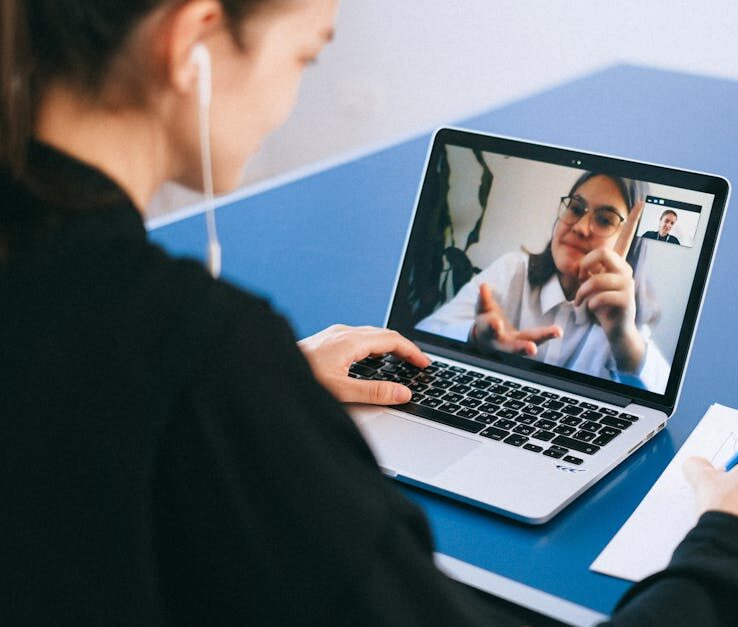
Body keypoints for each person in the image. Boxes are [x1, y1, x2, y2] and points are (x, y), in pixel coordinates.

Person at [1, 1, 738, 625]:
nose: (290, 101)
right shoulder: (209, 354)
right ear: (191, 42)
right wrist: (720, 545)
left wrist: (274, 380)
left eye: (603, 217)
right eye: (304, 58)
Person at [417, 172, 670, 392]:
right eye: (575, 208)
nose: (581, 227)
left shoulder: (624, 318)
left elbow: (662, 401)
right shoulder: (513, 270)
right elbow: (425, 332)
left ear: (631, 243)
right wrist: (475, 336)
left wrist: (623, 337)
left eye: (604, 219)